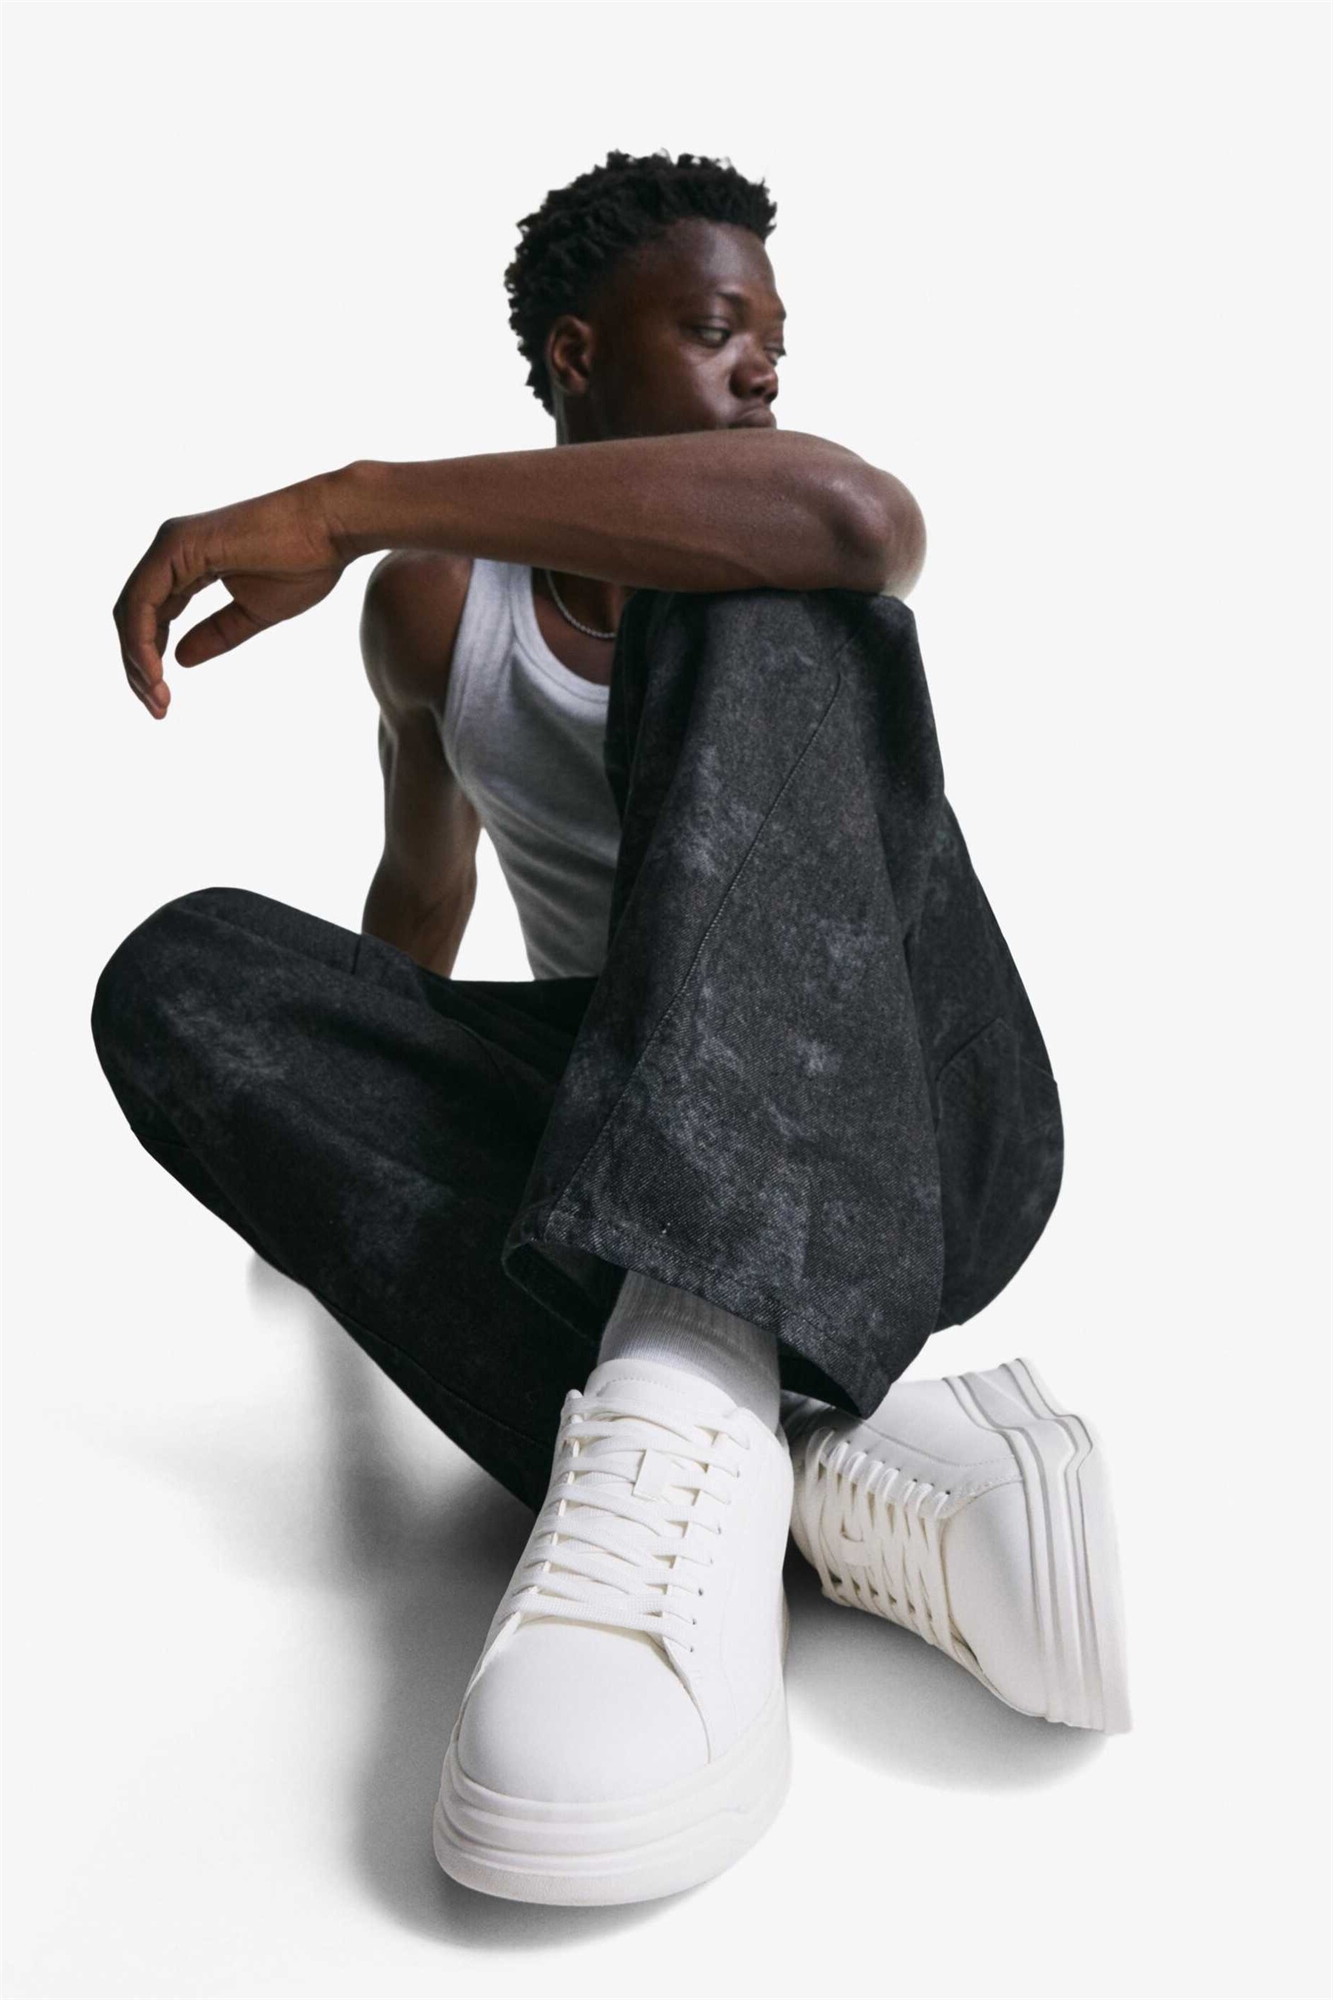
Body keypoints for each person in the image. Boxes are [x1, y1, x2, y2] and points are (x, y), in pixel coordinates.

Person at [96, 147, 1129, 1910]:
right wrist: (332, 1139)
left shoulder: (785, 540)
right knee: (178, 973)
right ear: (577, 353)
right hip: (609, 1135)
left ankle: (684, 1407)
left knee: (742, 602)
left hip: (906, 1123)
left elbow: (853, 522)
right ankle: (801, 1459)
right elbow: (418, 890)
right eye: (717, 328)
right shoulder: (440, 605)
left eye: (775, 337)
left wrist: (343, 500)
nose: (763, 365)